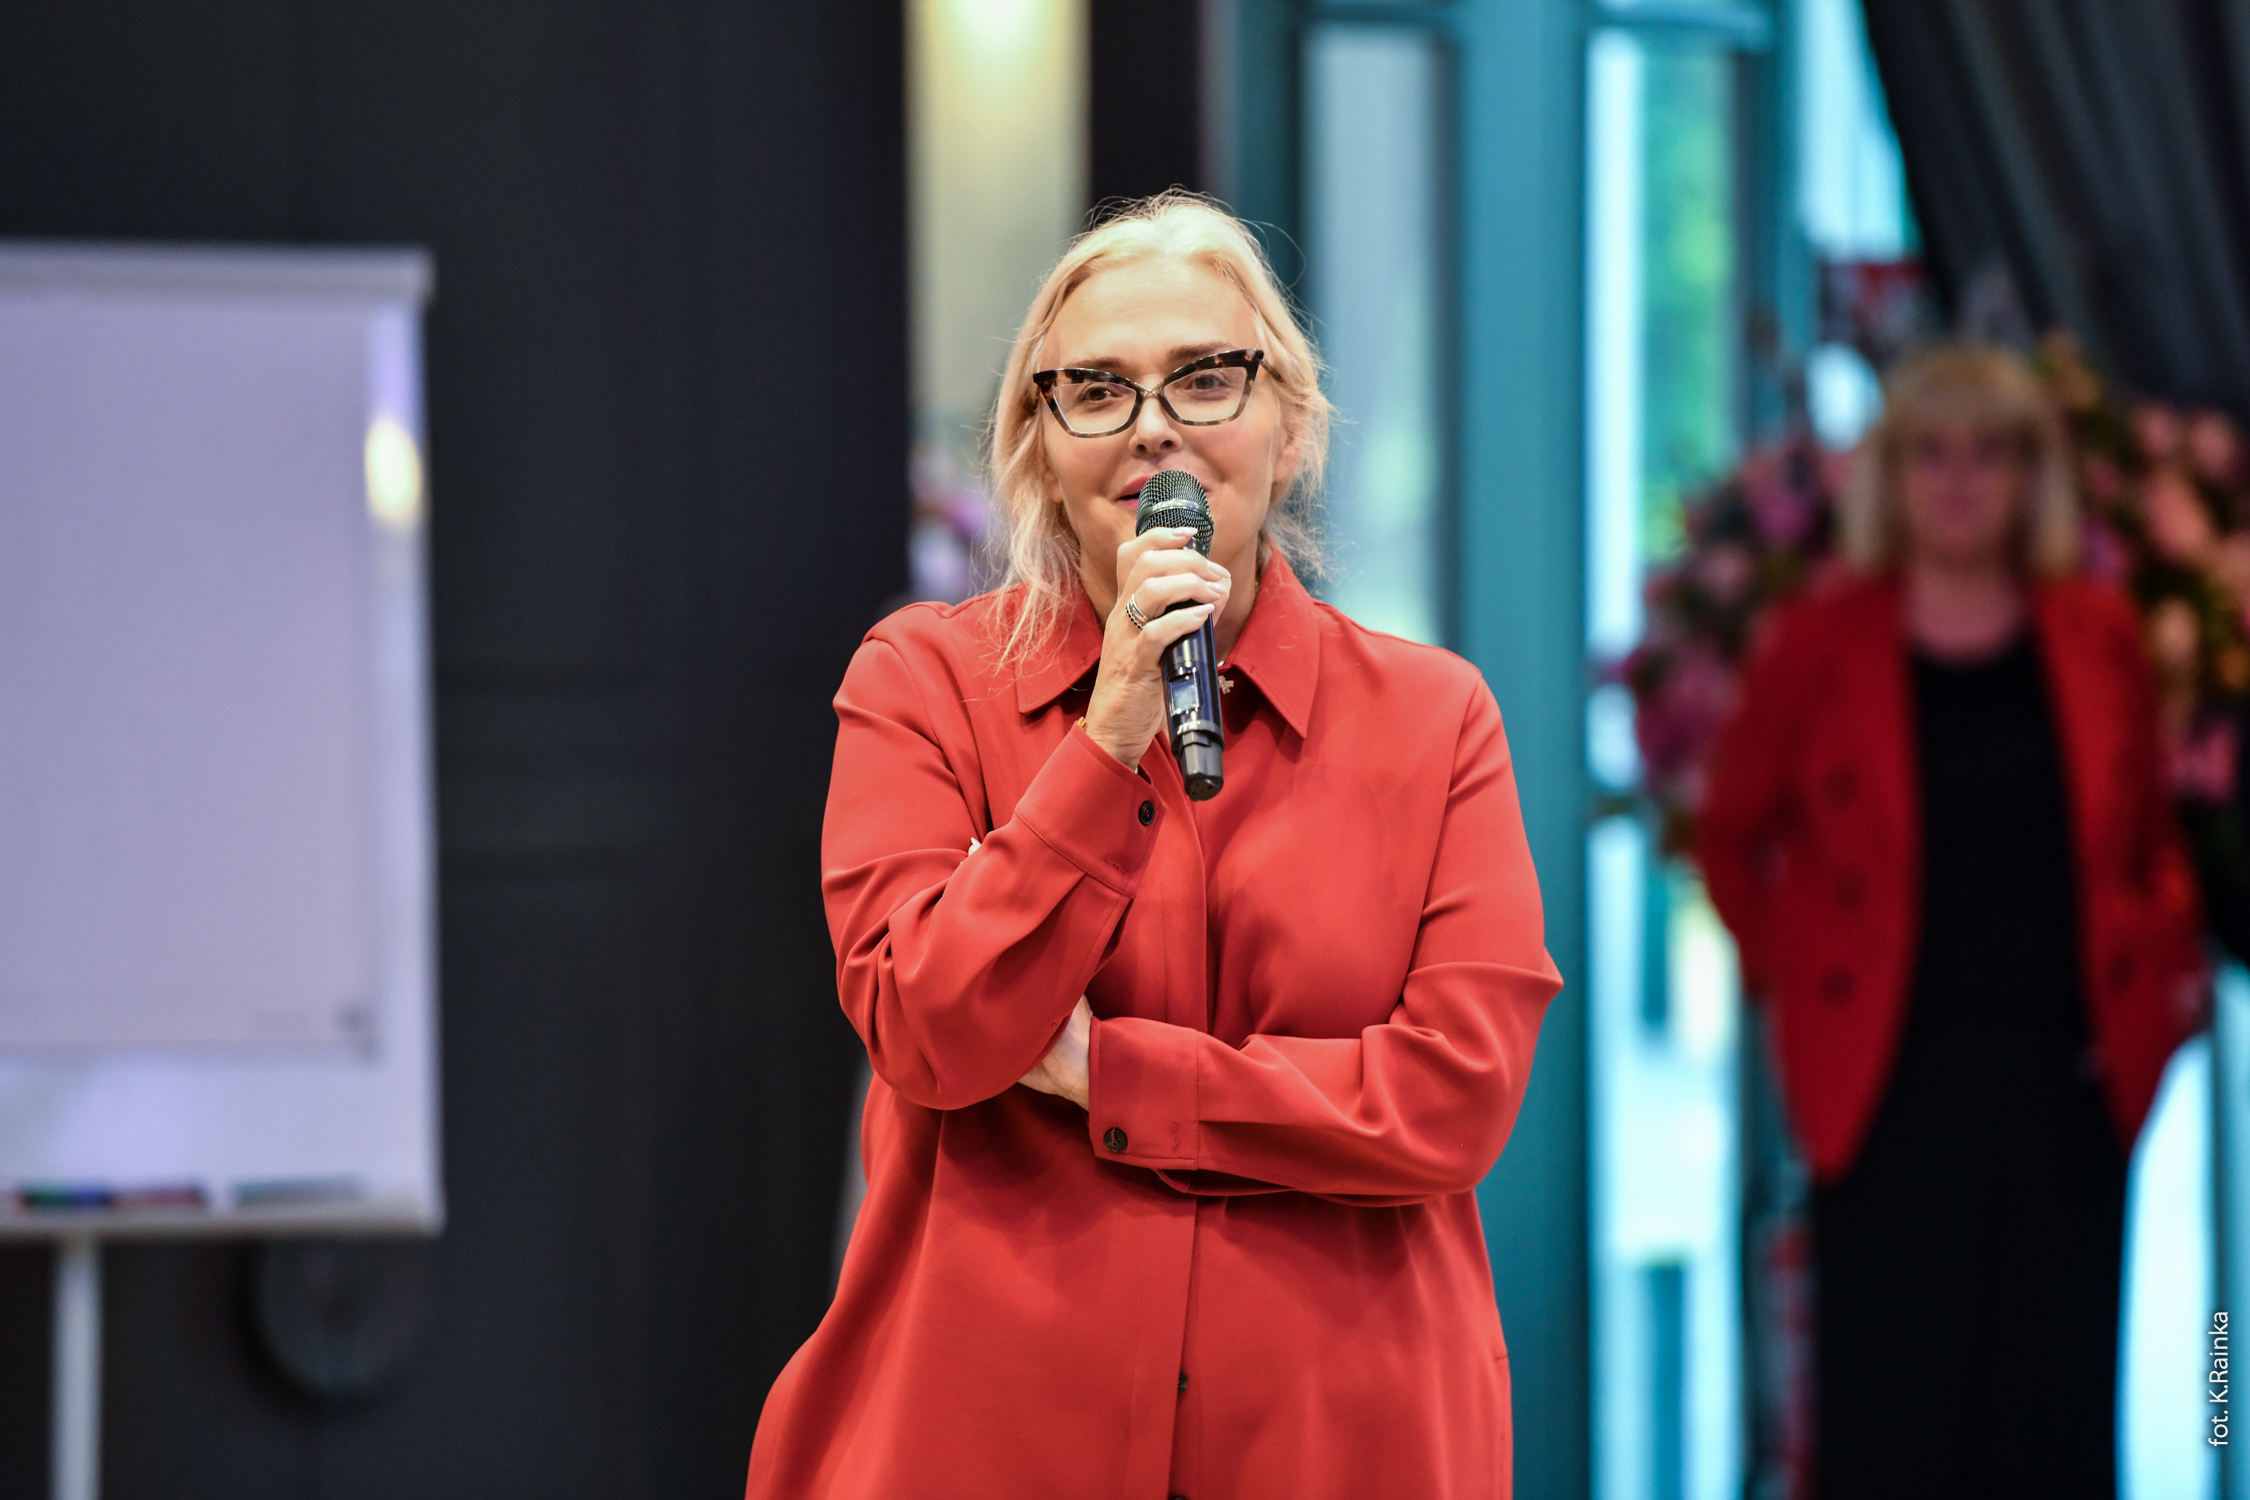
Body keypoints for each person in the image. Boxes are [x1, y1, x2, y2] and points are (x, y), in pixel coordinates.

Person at [744, 194, 1561, 1499]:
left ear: (1291, 427)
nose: (1151, 427)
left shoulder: (1435, 718)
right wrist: (1105, 738)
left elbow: (1453, 1096)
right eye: (1096, 390)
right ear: (1038, 444)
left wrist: (1111, 1075)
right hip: (985, 1442)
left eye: (1204, 377)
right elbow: (928, 1026)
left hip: (1336, 1446)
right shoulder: (921, 684)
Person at [1699, 344, 2205, 1498]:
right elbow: (1729, 832)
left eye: (1991, 453)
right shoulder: (1823, 638)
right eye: (1933, 453)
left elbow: (2150, 846)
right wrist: (1794, 970)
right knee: (1892, 1419)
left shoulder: (2096, 631)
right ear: (1893, 476)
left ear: (2032, 476)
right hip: (1884, 1083)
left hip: (2069, 1081)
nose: (1962, 480)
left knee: (2052, 1420)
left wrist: (2160, 993)